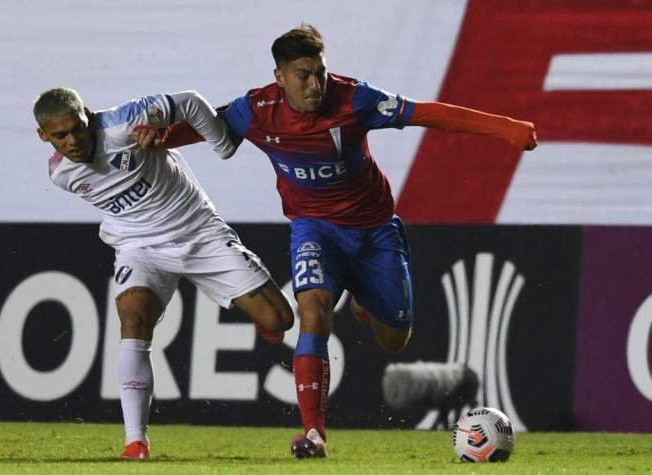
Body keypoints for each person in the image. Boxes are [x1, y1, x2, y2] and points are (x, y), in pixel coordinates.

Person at [133, 24, 537, 459]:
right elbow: (207, 124)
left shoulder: (355, 99)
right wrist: (161, 137)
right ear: (280, 76)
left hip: (376, 231)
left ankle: (364, 298)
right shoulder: (257, 109)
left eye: (320, 72)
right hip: (314, 228)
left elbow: (426, 112)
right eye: (303, 74)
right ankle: (314, 434)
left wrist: (505, 128)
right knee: (314, 313)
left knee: (393, 339)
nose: (314, 84)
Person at [33, 87, 294, 461]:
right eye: (60, 135)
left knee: (280, 319)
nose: (73, 140)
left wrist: (219, 143)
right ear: (44, 136)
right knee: (133, 321)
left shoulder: (124, 122)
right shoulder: (61, 174)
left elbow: (188, 100)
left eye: (78, 128)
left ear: (88, 115)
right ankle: (135, 441)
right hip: (140, 246)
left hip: (199, 233)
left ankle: (257, 313)